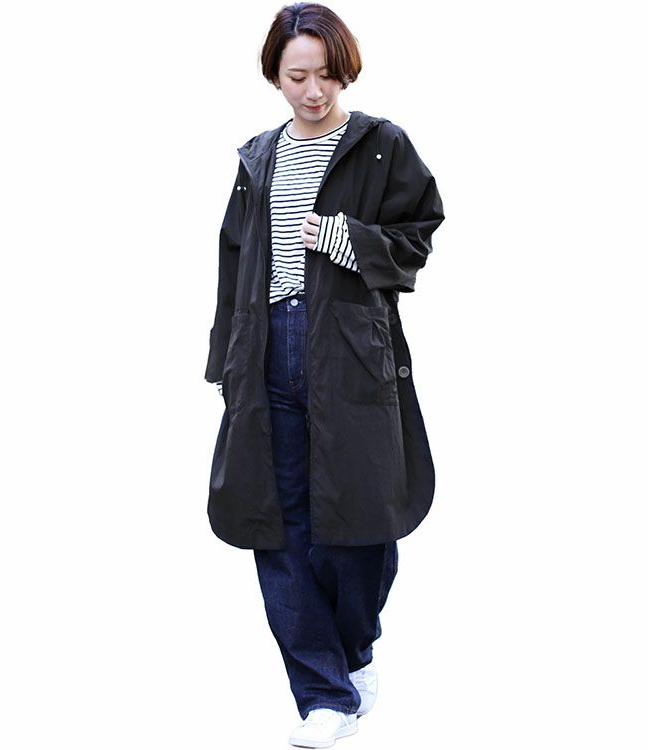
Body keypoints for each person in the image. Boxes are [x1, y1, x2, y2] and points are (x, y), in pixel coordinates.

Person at [203, 3, 445, 746]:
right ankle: (322, 693)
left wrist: (344, 238)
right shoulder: (258, 157)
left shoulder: (380, 146)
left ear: (346, 69)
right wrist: (225, 357)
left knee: (359, 517)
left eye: (327, 75)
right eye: (297, 76)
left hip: (347, 347)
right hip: (265, 347)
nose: (313, 91)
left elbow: (418, 234)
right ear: (274, 76)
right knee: (275, 520)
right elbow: (233, 260)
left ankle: (354, 648)